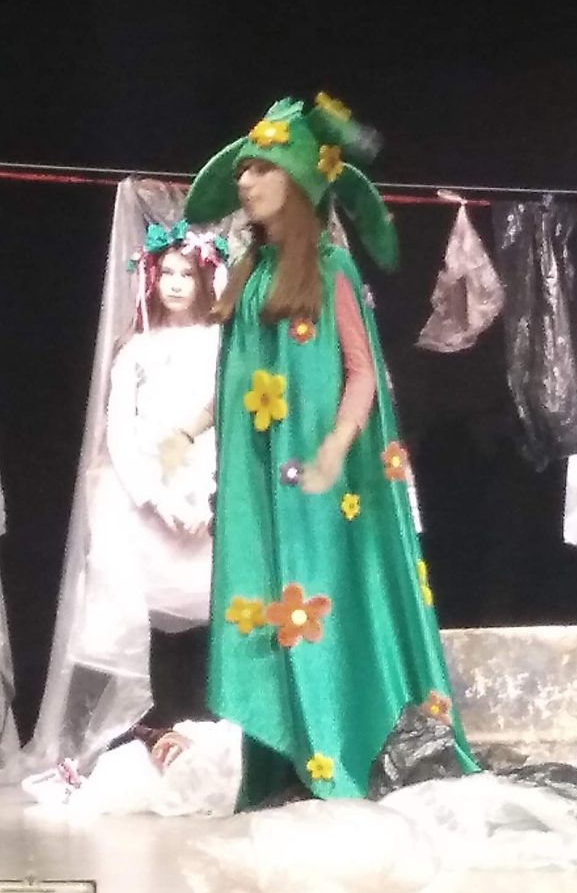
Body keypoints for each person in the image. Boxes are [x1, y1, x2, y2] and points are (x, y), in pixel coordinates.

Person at [181, 95, 473, 804]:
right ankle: (287, 758)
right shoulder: (249, 272)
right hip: (261, 475)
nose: (245, 182)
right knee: (270, 598)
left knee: (315, 598)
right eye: (242, 170)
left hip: (319, 475)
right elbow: (237, 377)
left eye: (260, 168)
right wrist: (188, 429)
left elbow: (362, 370)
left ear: (299, 180)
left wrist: (339, 446)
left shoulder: (332, 268)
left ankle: (336, 747)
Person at [93, 224, 226, 729]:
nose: (174, 283)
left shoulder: (222, 343)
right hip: (148, 499)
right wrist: (158, 498)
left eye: (185, 274)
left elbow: (229, 421)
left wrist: (211, 499)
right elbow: (119, 433)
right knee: (148, 627)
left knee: (216, 617)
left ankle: (211, 731)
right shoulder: (137, 349)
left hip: (208, 492)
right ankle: (156, 730)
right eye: (166, 273)